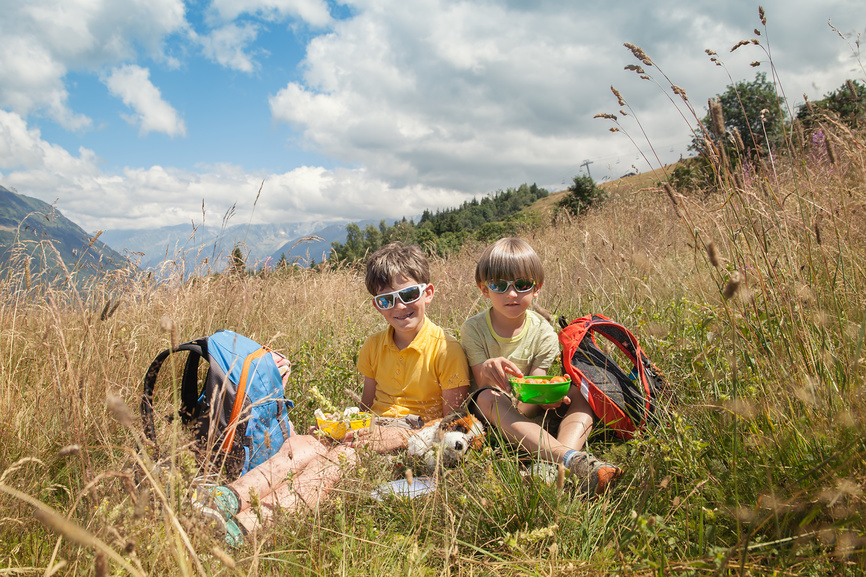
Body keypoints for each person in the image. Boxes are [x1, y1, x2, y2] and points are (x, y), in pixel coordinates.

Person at [195, 242, 470, 545]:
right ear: (376, 304)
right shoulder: (374, 346)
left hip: (417, 439)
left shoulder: (446, 349)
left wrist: (399, 437)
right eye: (385, 300)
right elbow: (366, 408)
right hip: (372, 430)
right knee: (302, 443)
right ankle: (224, 500)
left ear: (427, 293)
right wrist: (338, 425)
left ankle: (241, 529)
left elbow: (453, 422)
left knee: (336, 461)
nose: (399, 307)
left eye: (408, 295)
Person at [460, 237, 621, 495]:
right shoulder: (474, 329)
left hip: (528, 409)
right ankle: (568, 459)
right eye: (500, 286)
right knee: (488, 396)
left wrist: (548, 399)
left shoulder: (544, 332)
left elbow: (537, 384)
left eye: (522, 285)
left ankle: (550, 467)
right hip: (492, 417)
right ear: (484, 289)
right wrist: (490, 367)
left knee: (581, 393)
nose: (512, 294)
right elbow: (482, 385)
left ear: (537, 288)